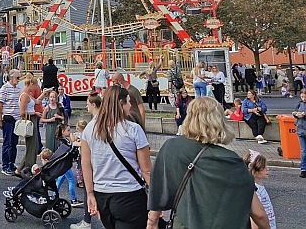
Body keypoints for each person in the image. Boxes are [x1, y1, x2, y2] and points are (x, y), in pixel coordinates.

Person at [147, 97, 270, 229]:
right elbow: (258, 214)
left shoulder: (172, 148)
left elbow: (159, 194)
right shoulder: (233, 161)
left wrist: (152, 222)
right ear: (219, 121)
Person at [82, 86, 151, 229]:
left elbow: (86, 164)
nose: (130, 106)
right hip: (129, 194)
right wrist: (157, 200)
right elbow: (146, 170)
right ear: (120, 103)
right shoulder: (133, 129)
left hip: (102, 194)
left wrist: (90, 193)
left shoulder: (90, 129)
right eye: (128, 102)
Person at [70, 92, 102, 229]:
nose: (86, 106)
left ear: (94, 105)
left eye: (88, 104)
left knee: (89, 191)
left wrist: (76, 143)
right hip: (99, 163)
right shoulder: (102, 121)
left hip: (94, 163)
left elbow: (87, 146)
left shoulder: (93, 125)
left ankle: (87, 221)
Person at [14, 74, 47, 178]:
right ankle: (28, 169)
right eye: (35, 86)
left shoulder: (27, 93)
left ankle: (20, 169)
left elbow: (36, 101)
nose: (36, 88)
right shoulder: (24, 95)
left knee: (33, 146)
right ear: (31, 84)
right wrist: (35, 114)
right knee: (32, 147)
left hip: (31, 119)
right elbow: (22, 113)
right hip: (29, 120)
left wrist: (44, 94)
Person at [0, 69, 22, 175]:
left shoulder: (18, 89)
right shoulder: (4, 88)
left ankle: (11, 163)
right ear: (11, 77)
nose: (19, 80)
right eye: (18, 77)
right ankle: (5, 165)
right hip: (8, 117)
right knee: (7, 143)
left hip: (16, 119)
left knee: (14, 143)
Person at [243, 150, 276, 229]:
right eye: (263, 167)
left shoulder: (259, 185)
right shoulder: (255, 189)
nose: (267, 169)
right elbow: (256, 215)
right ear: (255, 170)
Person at [55, 123, 83, 207]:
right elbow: (67, 152)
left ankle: (53, 195)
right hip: (64, 164)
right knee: (71, 180)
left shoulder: (65, 140)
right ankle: (73, 199)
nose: (70, 132)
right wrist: (74, 145)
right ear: (63, 132)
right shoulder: (62, 142)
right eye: (68, 130)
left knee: (60, 179)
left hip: (65, 163)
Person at [292, 88, 306, 178]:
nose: (303, 99)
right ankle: (303, 169)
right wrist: (295, 114)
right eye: (302, 97)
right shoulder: (299, 104)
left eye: (304, 97)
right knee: (304, 151)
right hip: (301, 129)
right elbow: (296, 112)